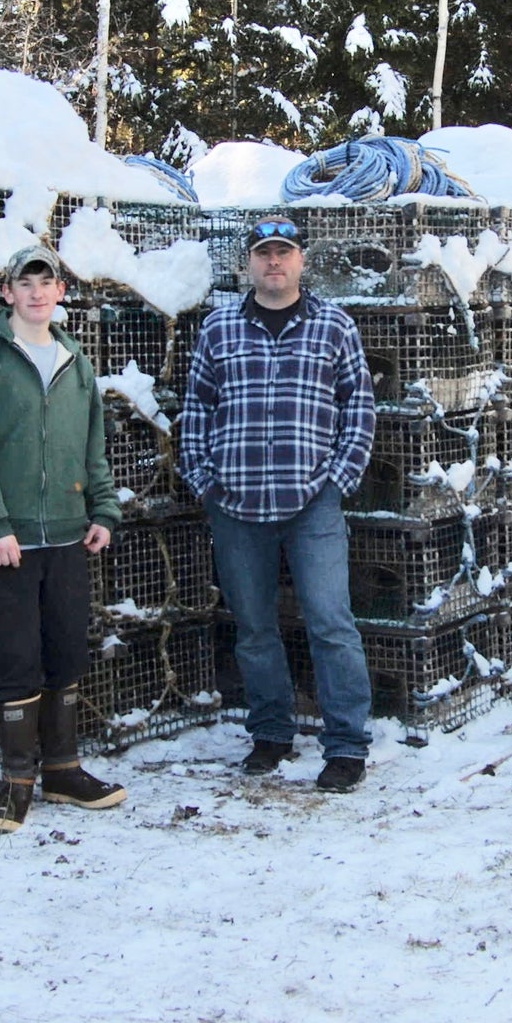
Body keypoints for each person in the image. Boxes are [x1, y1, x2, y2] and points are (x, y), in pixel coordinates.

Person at [180, 214, 378, 793]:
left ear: (300, 261)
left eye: (284, 252)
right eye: (264, 253)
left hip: (312, 500)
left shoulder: (334, 326)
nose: (274, 262)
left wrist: (338, 479)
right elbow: (196, 409)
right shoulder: (219, 329)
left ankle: (346, 746)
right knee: (254, 628)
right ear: (248, 263)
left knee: (331, 623)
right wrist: (204, 480)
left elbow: (359, 408)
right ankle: (270, 733)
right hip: (235, 502)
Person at [0, 245, 127, 833]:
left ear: (61, 293)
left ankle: (63, 771)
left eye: (47, 283)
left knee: (67, 651)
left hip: (68, 537)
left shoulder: (75, 362)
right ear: (8, 293)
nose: (37, 292)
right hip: (9, 542)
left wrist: (103, 510)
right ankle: (17, 782)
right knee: (18, 658)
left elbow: (92, 448)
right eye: (26, 283)